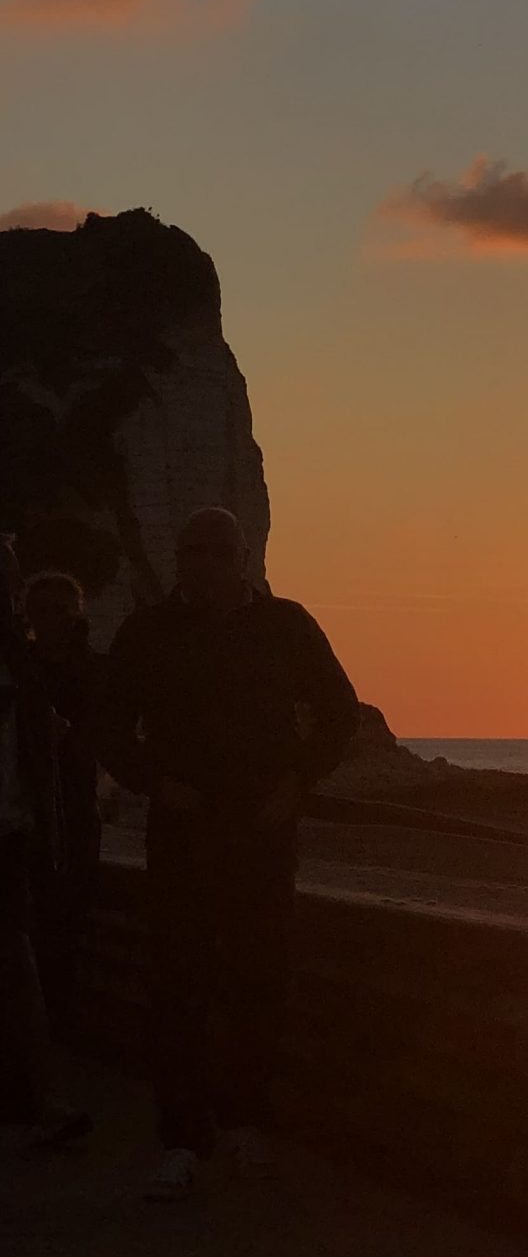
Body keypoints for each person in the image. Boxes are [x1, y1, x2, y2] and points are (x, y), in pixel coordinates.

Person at [101, 507, 360, 1201]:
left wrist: (298, 783)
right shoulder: (149, 631)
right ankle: (182, 1139)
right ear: (179, 559)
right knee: (176, 984)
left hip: (262, 833)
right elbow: (105, 723)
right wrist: (156, 782)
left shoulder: (287, 626)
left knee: (260, 980)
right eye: (193, 552)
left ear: (243, 558)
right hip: (182, 833)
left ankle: (248, 1125)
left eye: (219, 552)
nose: (205, 564)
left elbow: (340, 714)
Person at [0, 537, 91, 1150]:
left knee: (17, 959)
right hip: (17, 828)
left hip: (12, 830)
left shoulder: (20, 659)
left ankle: (39, 1103)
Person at [22, 568, 103, 1043]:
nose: (51, 620)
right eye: (43, 611)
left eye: (61, 612)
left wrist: (68, 735)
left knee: (64, 929)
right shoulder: (21, 666)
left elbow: (101, 739)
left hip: (72, 814)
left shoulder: (94, 670)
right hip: (26, 815)